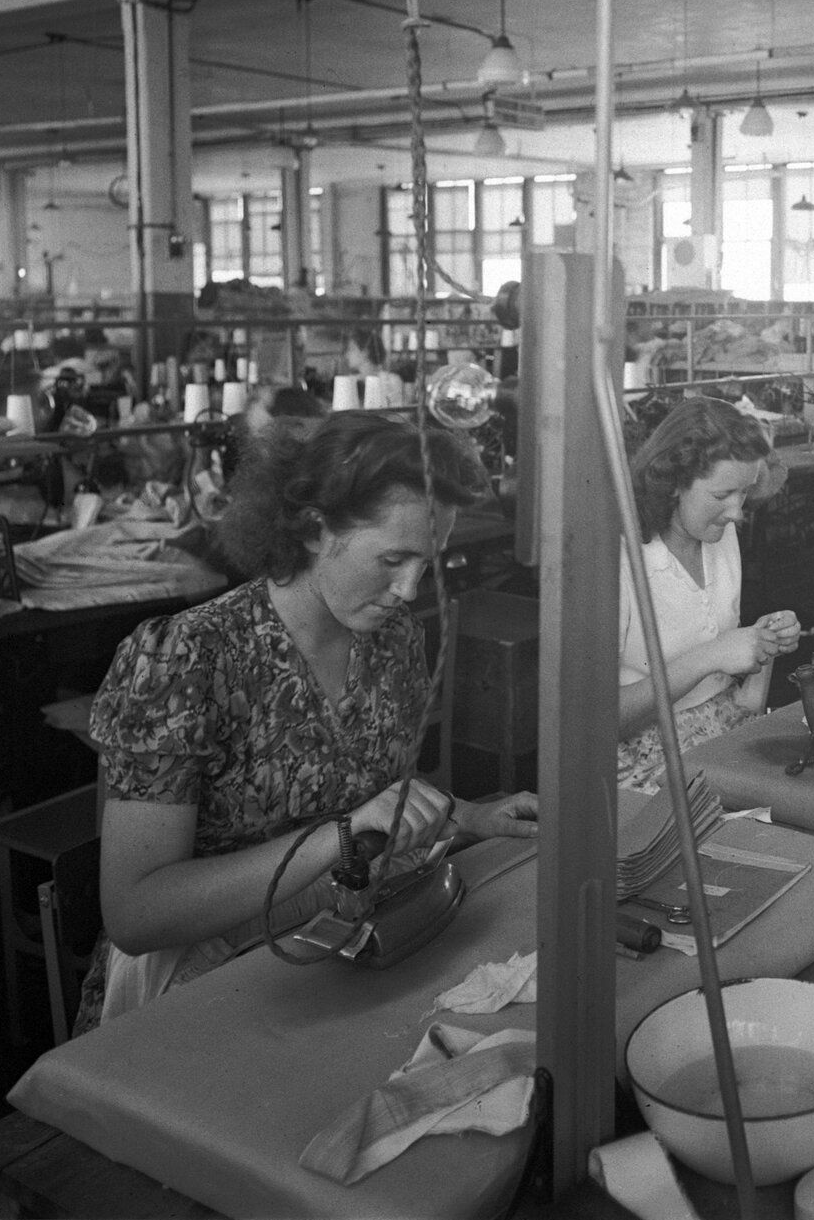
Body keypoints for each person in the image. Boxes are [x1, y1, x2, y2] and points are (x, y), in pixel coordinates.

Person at [76, 411, 538, 1033]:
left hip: (337, 934)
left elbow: (376, 800)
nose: (409, 588)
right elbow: (136, 914)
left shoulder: (394, 637)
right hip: (202, 974)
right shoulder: (186, 659)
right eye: (393, 559)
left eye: (427, 564)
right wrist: (337, 838)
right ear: (316, 529)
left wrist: (469, 816)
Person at [618, 397, 802, 787]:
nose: (737, 512)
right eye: (721, 496)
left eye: (745, 493)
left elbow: (741, 702)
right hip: (643, 762)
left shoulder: (720, 535)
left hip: (722, 731)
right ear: (672, 485)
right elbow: (598, 723)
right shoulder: (621, 560)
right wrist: (711, 656)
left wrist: (762, 644)